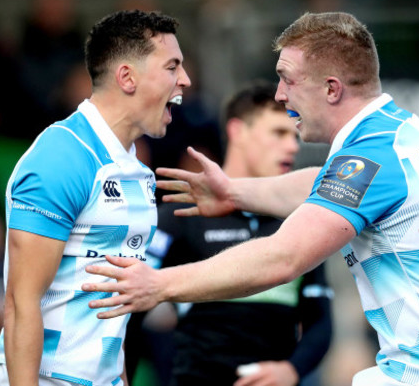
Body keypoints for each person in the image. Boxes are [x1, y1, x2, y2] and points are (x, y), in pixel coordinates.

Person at [82, 12, 419, 386]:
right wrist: (234, 191)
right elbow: (318, 184)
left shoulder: (372, 156)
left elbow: (283, 258)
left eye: (287, 79)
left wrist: (158, 285)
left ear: (331, 89)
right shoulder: (397, 131)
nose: (280, 94)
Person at [0, 9, 191, 386]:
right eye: (172, 67)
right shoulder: (62, 156)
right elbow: (20, 304)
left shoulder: (136, 168)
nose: (185, 81)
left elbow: (114, 311)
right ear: (127, 77)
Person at [138, 80, 333, 386]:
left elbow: (320, 320)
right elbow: (131, 308)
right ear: (237, 131)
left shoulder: (302, 218)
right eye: (279, 133)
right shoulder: (182, 215)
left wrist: (292, 370)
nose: (293, 146)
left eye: (295, 135)